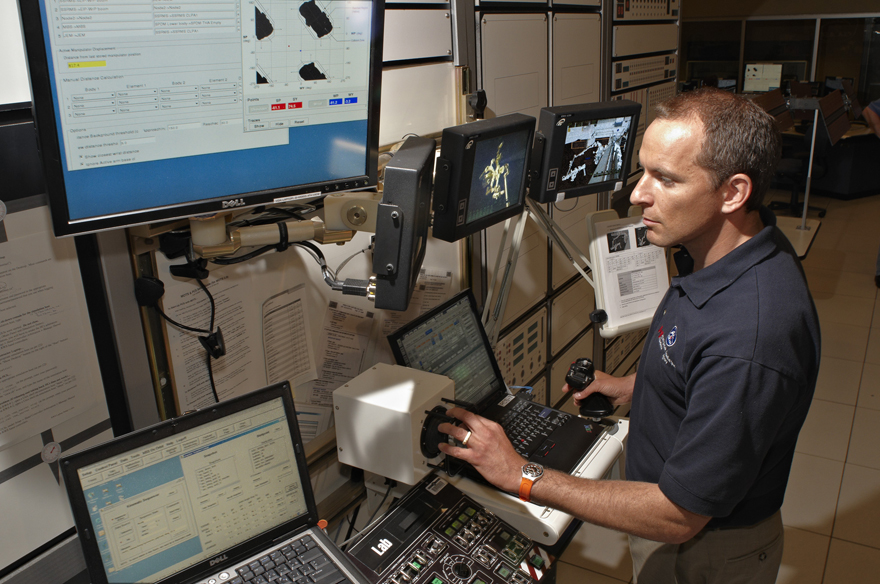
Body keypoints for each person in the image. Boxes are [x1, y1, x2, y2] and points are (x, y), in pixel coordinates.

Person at [438, 88, 821, 583]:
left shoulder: (750, 335)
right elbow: (697, 366)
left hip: (705, 551)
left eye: (665, 178)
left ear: (733, 192)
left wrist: (520, 475)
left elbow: (676, 515)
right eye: (644, 171)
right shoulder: (728, 249)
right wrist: (627, 386)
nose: (639, 193)